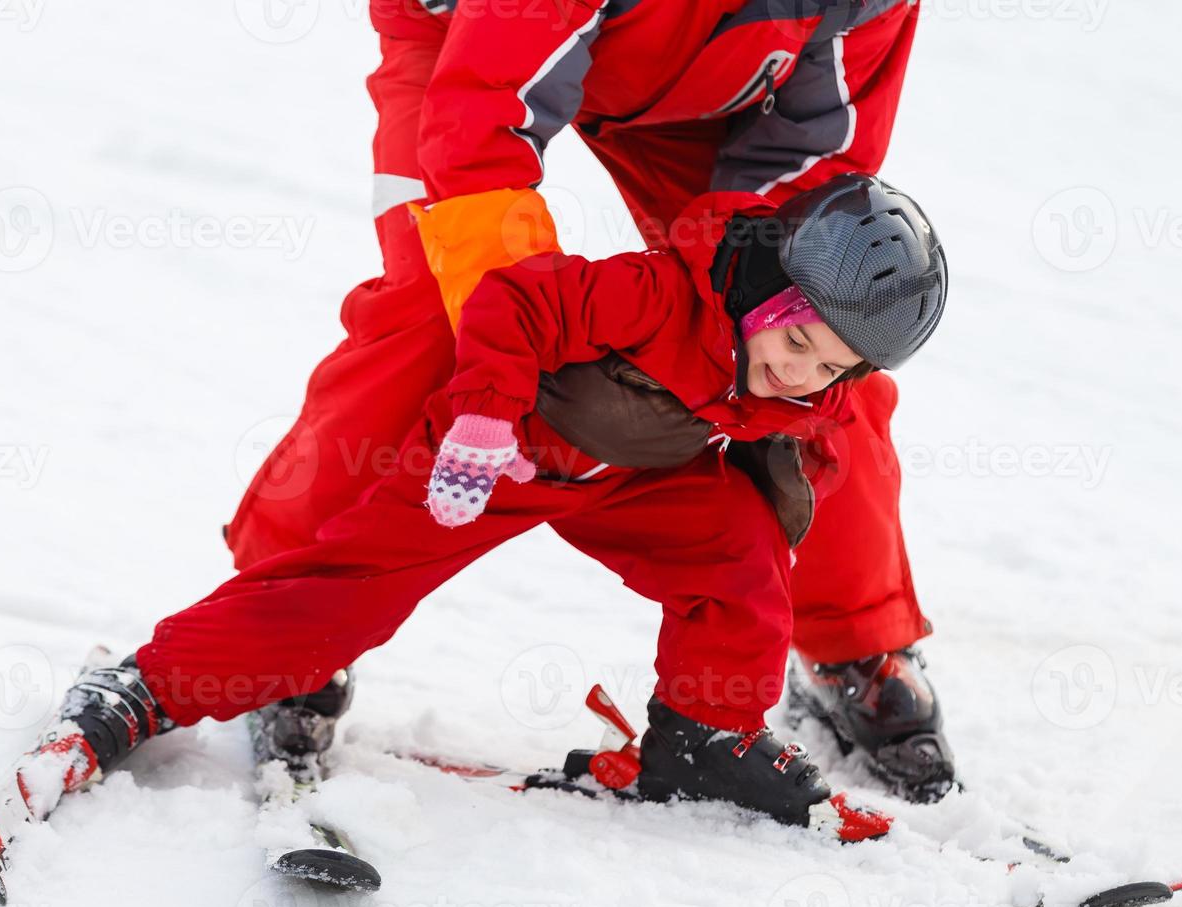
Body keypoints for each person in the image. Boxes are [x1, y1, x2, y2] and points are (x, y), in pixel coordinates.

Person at [0, 175, 947, 853]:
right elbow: (515, 302)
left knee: (738, 558)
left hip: (632, 477)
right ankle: (138, 692)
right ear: (772, 285)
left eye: (832, 367)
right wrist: (482, 416)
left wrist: (789, 479)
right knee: (343, 599)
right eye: (797, 340)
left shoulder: (803, 379)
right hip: (500, 455)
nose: (800, 371)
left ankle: (707, 732)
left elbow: (802, 432)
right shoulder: (652, 291)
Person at [231, 0, 956, 802]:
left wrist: (733, 302)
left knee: (811, 334)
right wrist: (528, 362)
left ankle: (855, 648)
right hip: (470, 49)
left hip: (706, 91)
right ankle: (280, 624)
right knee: (437, 320)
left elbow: (820, 158)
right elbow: (485, 116)